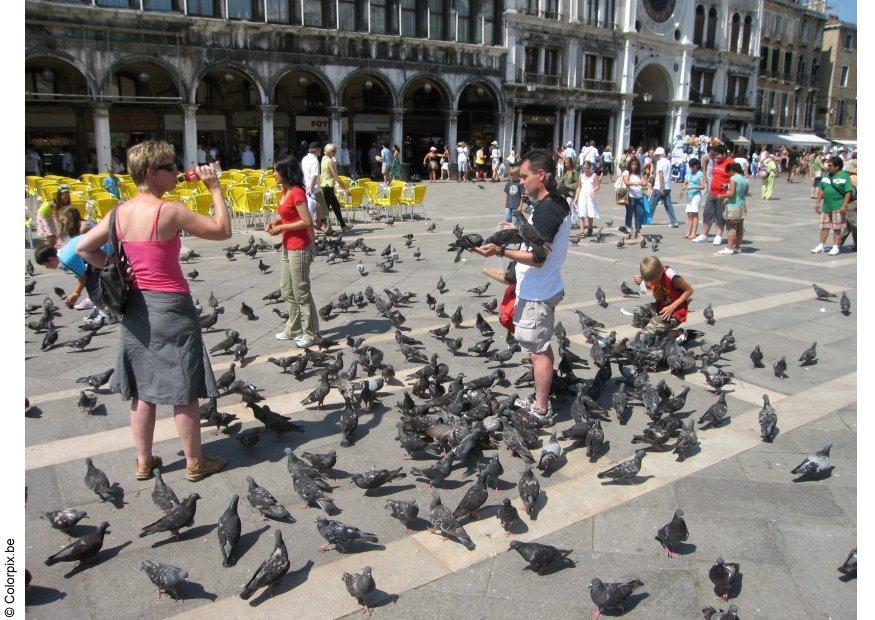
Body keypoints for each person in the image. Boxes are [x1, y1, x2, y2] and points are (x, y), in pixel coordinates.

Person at [76, 141, 230, 483]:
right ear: (150, 173)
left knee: (142, 386)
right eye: (169, 167)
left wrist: (114, 266)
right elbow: (223, 230)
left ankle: (144, 462)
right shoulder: (169, 211)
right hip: (171, 306)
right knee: (184, 388)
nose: (176, 172)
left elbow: (83, 248)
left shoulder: (118, 213)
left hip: (134, 307)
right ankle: (195, 461)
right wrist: (215, 187)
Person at [472, 149, 571, 419]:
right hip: (542, 287)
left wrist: (499, 252)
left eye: (524, 177)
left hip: (539, 291)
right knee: (537, 346)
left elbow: (538, 257)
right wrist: (512, 232)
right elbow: (536, 238)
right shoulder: (552, 203)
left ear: (540, 175)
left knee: (538, 350)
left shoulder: (548, 210)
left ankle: (541, 407)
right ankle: (541, 397)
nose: (520, 183)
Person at [269, 156, 321, 347]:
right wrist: (277, 221)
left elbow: (307, 221)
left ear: (285, 172)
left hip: (299, 247)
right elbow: (287, 215)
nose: (273, 174)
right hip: (288, 246)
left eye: (276, 170)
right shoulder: (285, 190)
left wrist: (283, 228)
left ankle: (312, 333)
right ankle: (294, 328)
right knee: (287, 289)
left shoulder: (297, 192)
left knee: (301, 291)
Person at [33, 211, 108, 317]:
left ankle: (105, 313)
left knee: (93, 285)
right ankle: (102, 309)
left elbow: (83, 278)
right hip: (101, 247)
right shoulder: (62, 251)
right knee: (93, 279)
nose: (47, 268)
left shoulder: (65, 260)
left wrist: (75, 294)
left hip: (103, 250)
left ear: (51, 259)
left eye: (46, 265)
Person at [632, 256, 694, 335]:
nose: (653, 281)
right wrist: (642, 283)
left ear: (661, 269)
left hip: (675, 311)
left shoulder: (672, 277)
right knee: (638, 312)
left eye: (654, 279)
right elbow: (653, 286)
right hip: (660, 307)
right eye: (650, 280)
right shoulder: (656, 275)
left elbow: (689, 290)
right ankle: (656, 333)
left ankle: (675, 334)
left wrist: (672, 307)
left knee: (652, 328)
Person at [812, 155, 853, 256]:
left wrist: (844, 205)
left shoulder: (844, 175)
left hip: (838, 206)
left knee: (837, 228)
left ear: (837, 167)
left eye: (830, 165)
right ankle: (821, 245)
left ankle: (835, 247)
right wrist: (818, 202)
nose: (827, 166)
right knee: (824, 227)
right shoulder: (826, 174)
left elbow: (848, 192)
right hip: (826, 206)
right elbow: (822, 189)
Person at [693, 144, 733, 245]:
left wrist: (728, 193)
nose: (715, 157)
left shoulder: (730, 163)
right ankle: (704, 235)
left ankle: (718, 236)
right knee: (707, 213)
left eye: (717, 155)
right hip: (712, 192)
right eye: (714, 155)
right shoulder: (716, 162)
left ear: (724, 153)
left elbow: (734, 179)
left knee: (720, 215)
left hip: (723, 194)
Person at [715, 162, 748, 255]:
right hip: (741, 205)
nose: (728, 174)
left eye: (729, 171)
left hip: (733, 206)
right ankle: (737, 247)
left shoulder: (733, 178)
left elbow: (731, 194)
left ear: (732, 170)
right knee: (740, 228)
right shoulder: (744, 179)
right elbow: (745, 193)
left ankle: (729, 248)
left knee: (731, 228)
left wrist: (721, 196)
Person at [319, 143, 350, 231]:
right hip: (328, 186)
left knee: (335, 205)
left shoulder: (324, 158)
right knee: (327, 207)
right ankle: (319, 225)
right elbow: (335, 176)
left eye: (335, 151)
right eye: (333, 151)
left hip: (326, 185)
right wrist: (345, 188)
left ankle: (343, 225)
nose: (335, 152)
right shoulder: (330, 161)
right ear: (329, 151)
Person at [649, 147, 679, 228]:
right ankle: (674, 221)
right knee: (668, 205)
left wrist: (661, 187)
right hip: (668, 186)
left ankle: (648, 219)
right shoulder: (668, 162)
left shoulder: (660, 162)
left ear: (658, 155)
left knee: (652, 204)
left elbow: (661, 174)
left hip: (659, 186)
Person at [301, 142, 327, 232]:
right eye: (320, 149)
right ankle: (323, 227)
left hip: (305, 187)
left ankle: (317, 226)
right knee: (323, 209)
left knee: (315, 208)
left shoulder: (304, 159)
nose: (321, 151)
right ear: (316, 150)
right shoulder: (315, 161)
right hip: (314, 188)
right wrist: (310, 189)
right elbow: (314, 176)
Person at [622, 157, 647, 238]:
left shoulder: (639, 173)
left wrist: (643, 183)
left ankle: (638, 231)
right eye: (633, 164)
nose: (634, 166)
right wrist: (636, 183)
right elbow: (626, 182)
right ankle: (628, 231)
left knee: (640, 213)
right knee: (629, 214)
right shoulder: (627, 172)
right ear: (630, 164)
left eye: (636, 164)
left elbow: (644, 183)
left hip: (639, 196)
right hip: (630, 196)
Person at [574, 160, 600, 236]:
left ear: (590, 167)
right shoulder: (581, 175)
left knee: (590, 213)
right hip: (582, 195)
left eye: (587, 168)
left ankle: (590, 228)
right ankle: (582, 231)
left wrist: (593, 190)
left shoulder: (594, 175)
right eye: (584, 168)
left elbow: (598, 186)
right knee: (581, 213)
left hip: (590, 196)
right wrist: (576, 197)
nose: (586, 170)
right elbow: (578, 187)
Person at [682, 158, 704, 240]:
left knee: (694, 213)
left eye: (693, 166)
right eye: (690, 166)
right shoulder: (688, 173)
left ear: (696, 166)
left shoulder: (699, 174)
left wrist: (693, 186)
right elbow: (685, 182)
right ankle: (689, 232)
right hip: (689, 195)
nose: (691, 168)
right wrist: (684, 187)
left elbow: (703, 186)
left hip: (696, 195)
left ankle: (693, 233)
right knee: (689, 214)